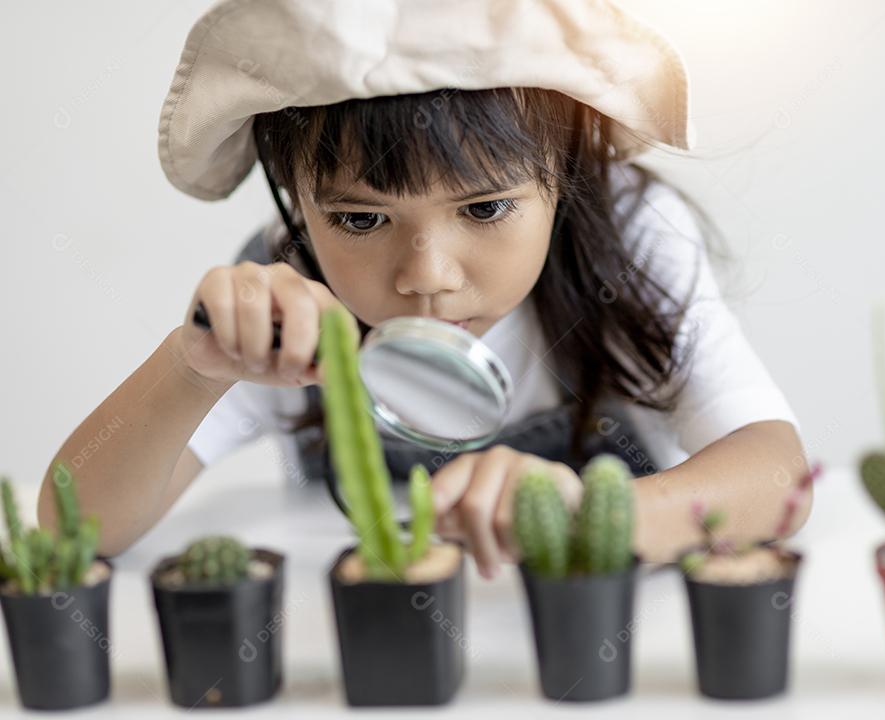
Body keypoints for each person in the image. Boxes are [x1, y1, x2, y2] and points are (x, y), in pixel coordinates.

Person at [38, 0, 811, 579]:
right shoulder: (288, 296)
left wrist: (600, 515)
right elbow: (76, 527)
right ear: (295, 201)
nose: (426, 276)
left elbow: (777, 473)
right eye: (360, 219)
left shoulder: (633, 235)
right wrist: (192, 368)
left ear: (569, 175)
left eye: (484, 208)